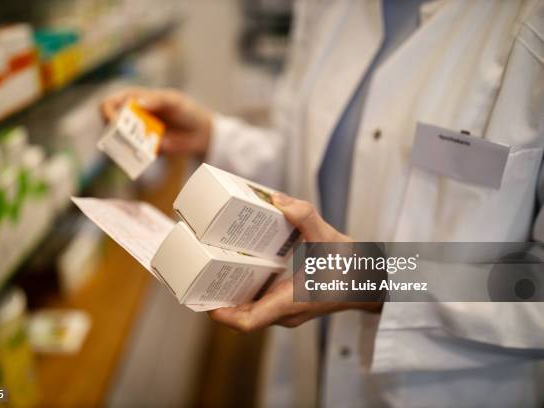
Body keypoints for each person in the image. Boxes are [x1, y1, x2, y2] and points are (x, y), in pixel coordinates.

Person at [102, 0, 544, 406]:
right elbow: (309, 162)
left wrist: (369, 277)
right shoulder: (329, 8)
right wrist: (213, 135)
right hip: (309, 366)